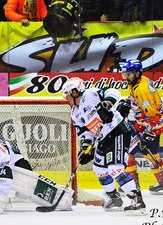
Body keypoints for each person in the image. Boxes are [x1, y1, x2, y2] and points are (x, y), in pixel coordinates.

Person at [61, 77, 146, 214]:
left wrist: (107, 103)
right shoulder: (75, 113)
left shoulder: (90, 94)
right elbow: (84, 132)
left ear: (75, 92)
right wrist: (85, 148)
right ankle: (114, 198)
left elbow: (113, 91)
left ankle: (137, 200)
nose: (66, 98)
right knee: (99, 169)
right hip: (103, 138)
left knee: (115, 169)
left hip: (117, 130)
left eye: (67, 94)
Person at [120, 59, 163, 195]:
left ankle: (131, 186)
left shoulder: (142, 90)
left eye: (128, 74)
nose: (126, 77)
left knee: (127, 152)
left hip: (151, 126)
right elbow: (136, 100)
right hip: (149, 124)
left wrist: (148, 134)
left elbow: (152, 115)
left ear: (137, 73)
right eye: (124, 74)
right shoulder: (139, 81)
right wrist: (126, 102)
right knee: (149, 153)